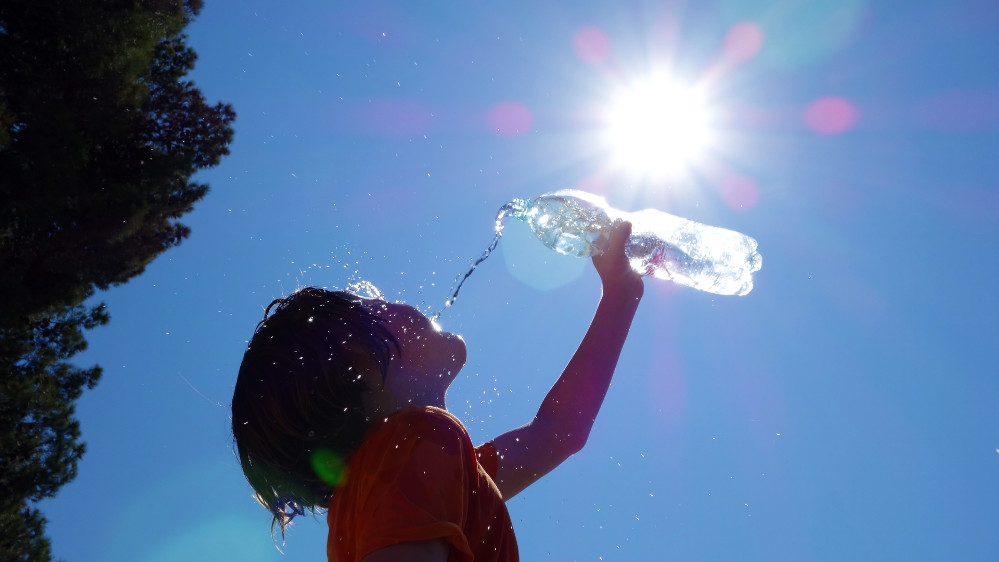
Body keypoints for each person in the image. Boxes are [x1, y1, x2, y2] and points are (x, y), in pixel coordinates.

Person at [231, 221, 644, 561]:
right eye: (374, 305)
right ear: (360, 364)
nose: (394, 302)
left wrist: (621, 297)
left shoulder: (413, 473)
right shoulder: (412, 442)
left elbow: (559, 431)